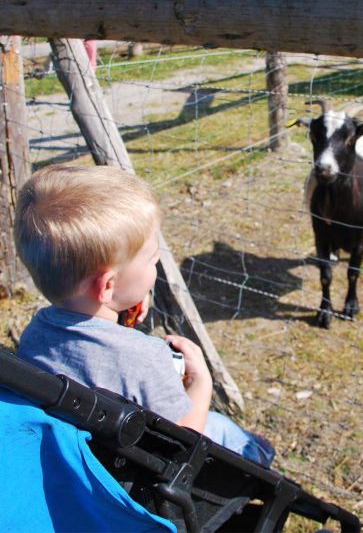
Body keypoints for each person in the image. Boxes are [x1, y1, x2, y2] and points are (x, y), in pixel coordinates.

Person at [14, 164, 274, 467]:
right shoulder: (146, 357)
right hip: (144, 477)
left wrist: (119, 317)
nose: (156, 267)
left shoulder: (35, 333)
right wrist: (202, 384)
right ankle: (261, 460)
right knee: (222, 428)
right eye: (153, 259)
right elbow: (183, 439)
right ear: (108, 286)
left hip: (89, 466)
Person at [71, 0, 98, 71]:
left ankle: (90, 70)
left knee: (88, 48)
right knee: (84, 48)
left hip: (87, 24)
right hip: (81, 24)